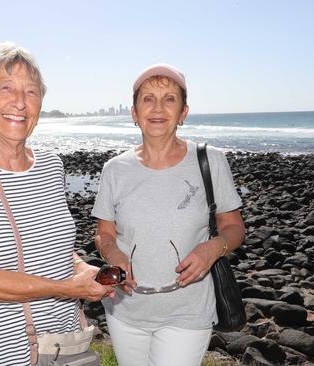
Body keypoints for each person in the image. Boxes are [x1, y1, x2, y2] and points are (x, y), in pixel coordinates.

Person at [0, 42, 112, 365]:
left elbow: (49, 243)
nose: (20, 102)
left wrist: (83, 269)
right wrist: (71, 289)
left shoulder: (52, 166)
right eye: (7, 88)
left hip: (65, 347)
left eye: (31, 92)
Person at [91, 63, 245, 366]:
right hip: (125, 309)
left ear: (184, 112)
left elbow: (234, 226)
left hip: (188, 309)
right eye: (147, 98)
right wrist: (112, 253)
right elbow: (103, 232)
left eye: (169, 98)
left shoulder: (210, 161)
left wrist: (213, 248)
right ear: (134, 113)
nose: (158, 108)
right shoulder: (114, 169)